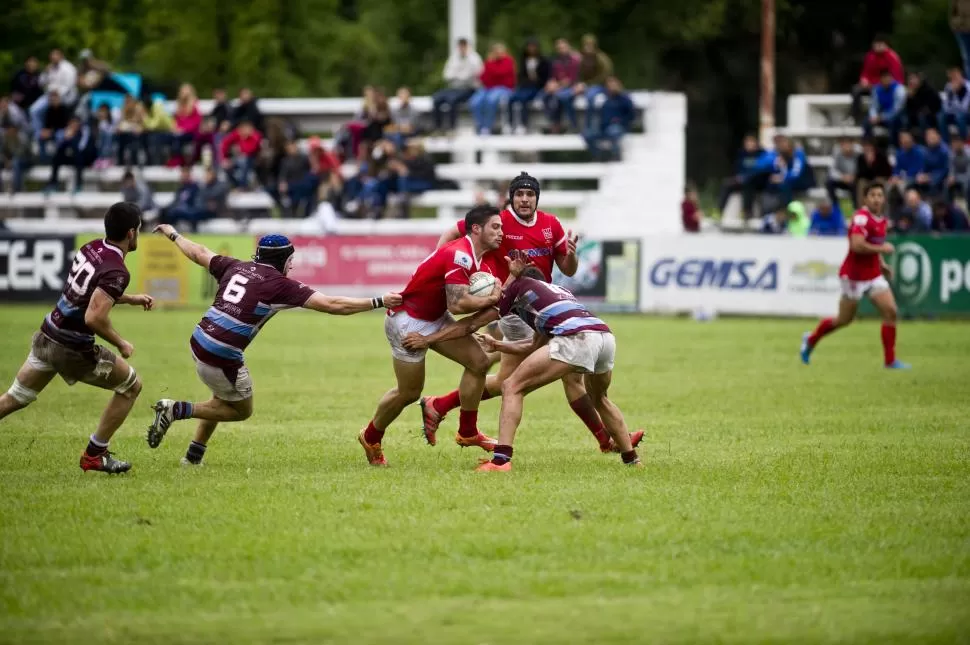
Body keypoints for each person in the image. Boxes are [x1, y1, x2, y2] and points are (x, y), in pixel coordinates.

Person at [414, 173, 644, 454]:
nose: (524, 199)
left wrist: (571, 254)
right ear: (511, 197)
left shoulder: (551, 224)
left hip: (540, 309)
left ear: (537, 198)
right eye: (519, 194)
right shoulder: (498, 221)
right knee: (537, 379)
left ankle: (440, 405)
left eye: (530, 194)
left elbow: (568, 269)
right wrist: (441, 258)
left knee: (521, 379)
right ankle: (606, 440)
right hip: (513, 308)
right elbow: (454, 232)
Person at [146, 229, 403, 466]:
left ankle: (193, 457)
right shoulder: (279, 284)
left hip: (199, 339)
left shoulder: (236, 266)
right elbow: (333, 304)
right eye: (290, 259)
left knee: (221, 396)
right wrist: (379, 301)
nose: (292, 265)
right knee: (239, 410)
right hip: (221, 351)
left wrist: (174, 235)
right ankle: (175, 409)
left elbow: (199, 252)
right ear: (282, 259)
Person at [0, 203, 154, 473]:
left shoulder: (91, 247)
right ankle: (95, 454)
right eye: (139, 229)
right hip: (71, 348)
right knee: (131, 386)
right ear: (131, 233)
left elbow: (88, 293)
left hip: (47, 335)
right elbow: (93, 317)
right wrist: (121, 343)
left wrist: (129, 299)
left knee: (15, 397)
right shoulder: (117, 270)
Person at [359, 205, 505, 467]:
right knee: (409, 392)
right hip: (408, 321)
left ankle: (468, 431)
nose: (501, 232)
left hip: (433, 317)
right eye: (495, 227)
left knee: (480, 362)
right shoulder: (460, 254)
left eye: (501, 227)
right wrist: (494, 297)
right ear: (476, 229)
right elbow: (457, 304)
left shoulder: (477, 256)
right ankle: (370, 436)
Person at [800, 183, 910, 370]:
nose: (876, 198)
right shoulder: (861, 218)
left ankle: (890, 361)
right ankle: (811, 339)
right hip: (853, 276)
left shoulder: (881, 220)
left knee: (891, 311)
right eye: (872, 195)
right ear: (866, 199)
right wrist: (882, 249)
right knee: (843, 320)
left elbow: (874, 244)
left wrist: (882, 264)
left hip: (873, 274)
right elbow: (857, 245)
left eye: (879, 195)